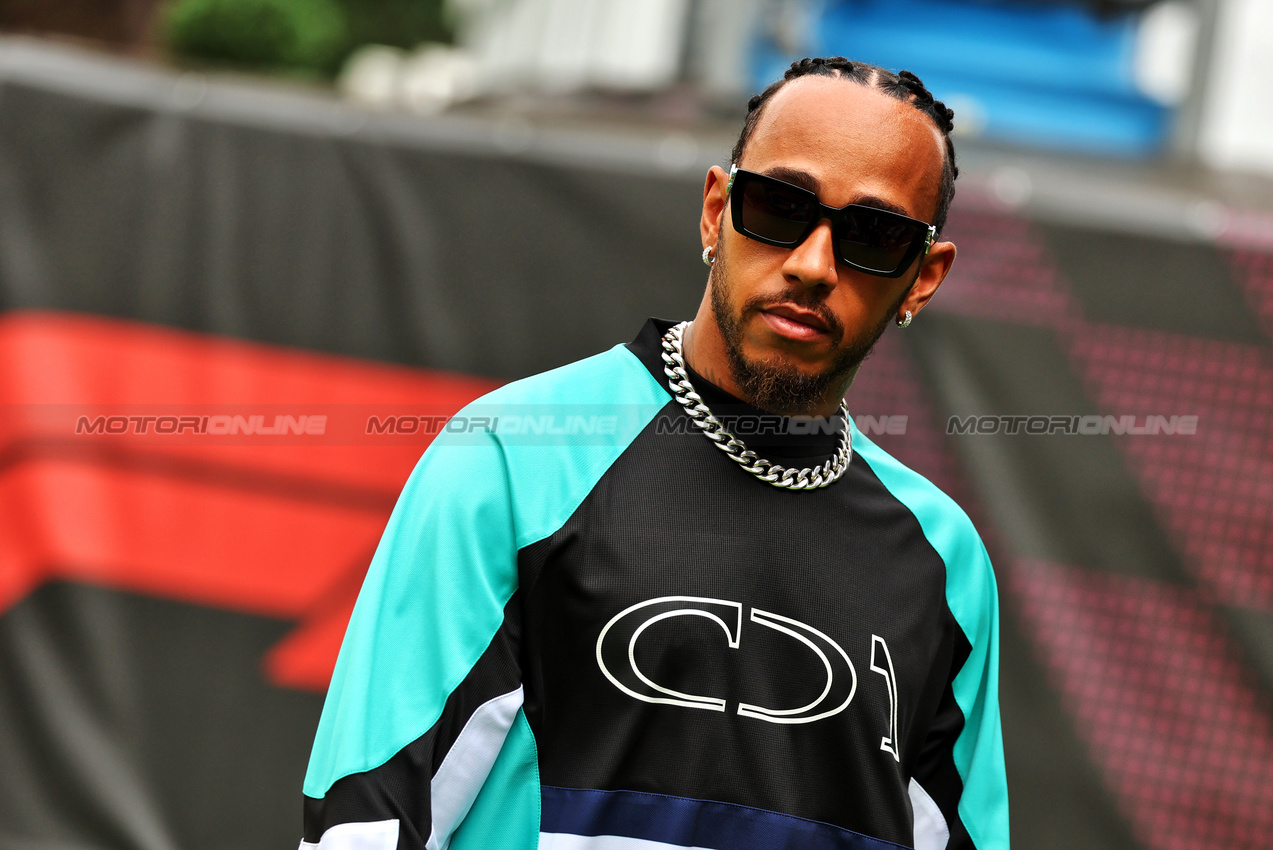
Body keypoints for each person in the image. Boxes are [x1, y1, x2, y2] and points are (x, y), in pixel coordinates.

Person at [299, 56, 1008, 850]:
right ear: (714, 212)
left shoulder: (944, 564)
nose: (812, 263)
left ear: (923, 278)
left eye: (873, 235)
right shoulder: (510, 459)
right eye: (778, 206)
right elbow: (365, 824)